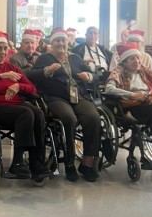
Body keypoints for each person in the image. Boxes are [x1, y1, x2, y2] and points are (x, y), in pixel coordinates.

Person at [0, 29, 51, 183]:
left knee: (39, 113)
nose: (3, 52)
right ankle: (17, 162)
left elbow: (32, 88)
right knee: (26, 113)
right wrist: (0, 76)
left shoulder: (13, 68)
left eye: (5, 48)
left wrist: (18, 86)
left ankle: (36, 161)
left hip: (16, 104)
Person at [29, 27, 101, 182]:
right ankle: (69, 163)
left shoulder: (76, 58)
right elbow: (31, 76)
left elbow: (95, 77)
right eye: (57, 40)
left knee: (93, 117)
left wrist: (88, 76)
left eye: (63, 40)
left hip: (79, 96)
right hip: (56, 97)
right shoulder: (45, 58)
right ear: (52, 43)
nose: (61, 43)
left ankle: (87, 163)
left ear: (68, 42)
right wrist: (46, 70)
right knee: (69, 119)